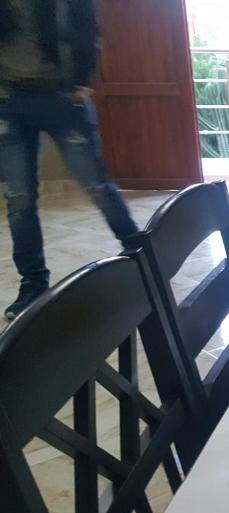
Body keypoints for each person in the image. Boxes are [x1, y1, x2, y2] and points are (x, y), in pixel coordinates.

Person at [0, 0, 138, 319]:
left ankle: (142, 256)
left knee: (97, 186)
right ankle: (33, 284)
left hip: (61, 97)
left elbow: (88, 29)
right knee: (19, 199)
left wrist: (81, 81)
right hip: (9, 101)